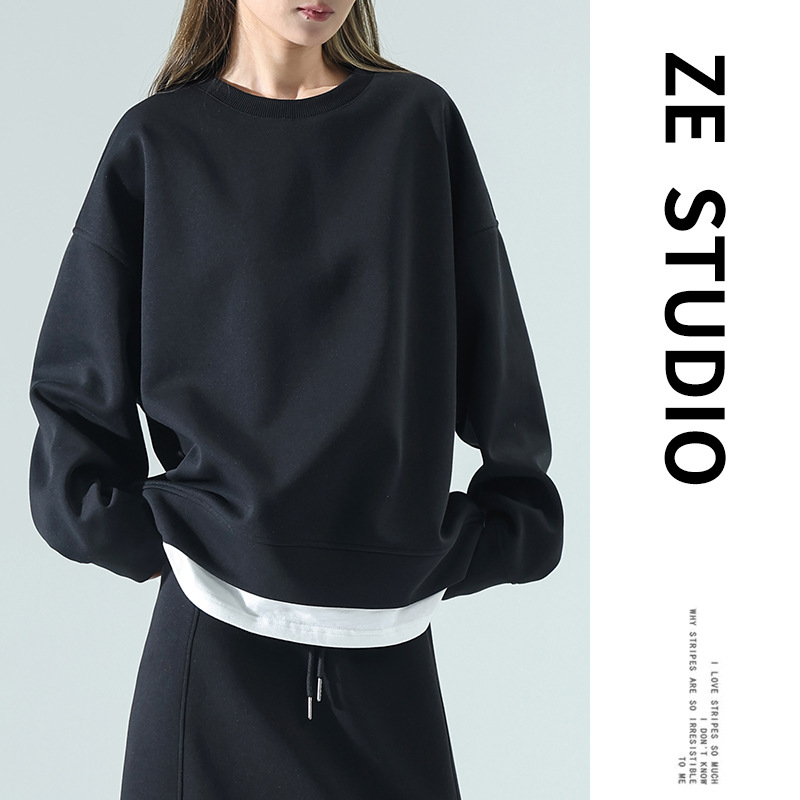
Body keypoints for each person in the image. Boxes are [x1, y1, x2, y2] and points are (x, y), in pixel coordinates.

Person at [27, 1, 565, 797]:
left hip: (387, 652)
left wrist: (478, 540)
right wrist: (181, 547)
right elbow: (75, 391)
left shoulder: (417, 126)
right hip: (211, 652)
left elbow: (498, 359)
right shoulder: (158, 143)